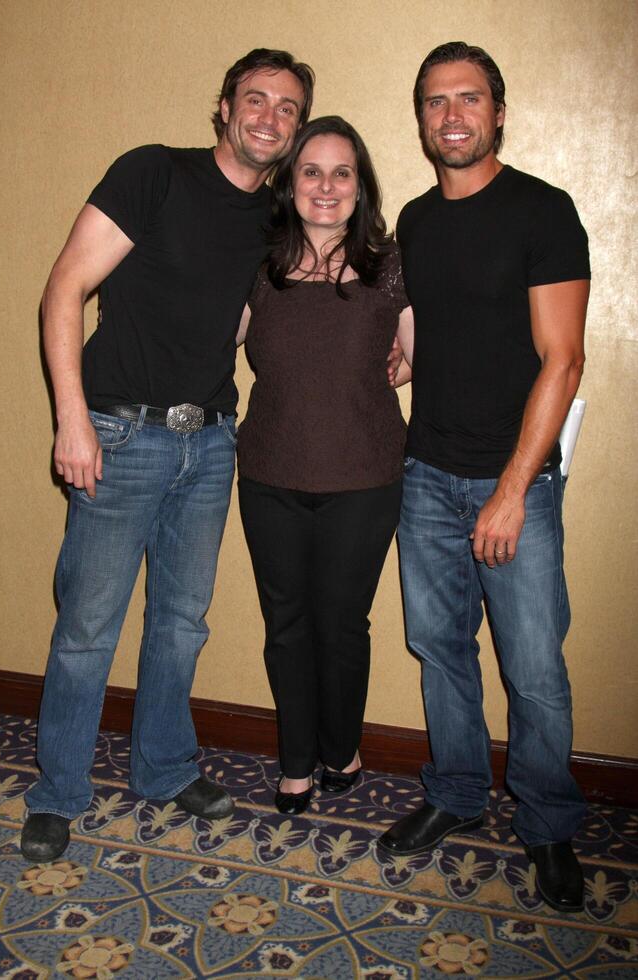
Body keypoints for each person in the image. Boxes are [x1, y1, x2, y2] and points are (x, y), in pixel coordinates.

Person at [21, 49, 315, 863]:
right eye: (255, 99)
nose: (269, 117)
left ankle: (163, 768)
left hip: (211, 441)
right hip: (119, 435)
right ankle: (58, 793)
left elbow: (255, 319)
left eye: (287, 108)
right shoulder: (153, 173)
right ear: (224, 107)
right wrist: (71, 420)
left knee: (181, 625)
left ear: (295, 129)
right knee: (87, 628)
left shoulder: (275, 218)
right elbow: (64, 288)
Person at [377, 42, 590, 914]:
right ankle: (458, 795)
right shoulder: (419, 222)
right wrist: (399, 352)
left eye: (470, 99)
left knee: (534, 668)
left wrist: (510, 489)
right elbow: (431, 321)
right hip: (424, 474)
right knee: (439, 649)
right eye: (436, 101)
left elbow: (565, 361)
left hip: (517, 485)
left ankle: (547, 825)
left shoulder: (544, 210)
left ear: (498, 111)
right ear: (421, 117)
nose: (452, 115)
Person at [235, 116, 414, 814]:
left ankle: (341, 746)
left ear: (360, 186)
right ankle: (295, 760)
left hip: (365, 479)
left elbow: (423, 356)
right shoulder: (262, 266)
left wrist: (388, 375)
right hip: (270, 474)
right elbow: (211, 341)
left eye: (343, 173)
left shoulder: (390, 264)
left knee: (341, 622)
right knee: (286, 624)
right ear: (290, 181)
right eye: (311, 171)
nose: (327, 186)